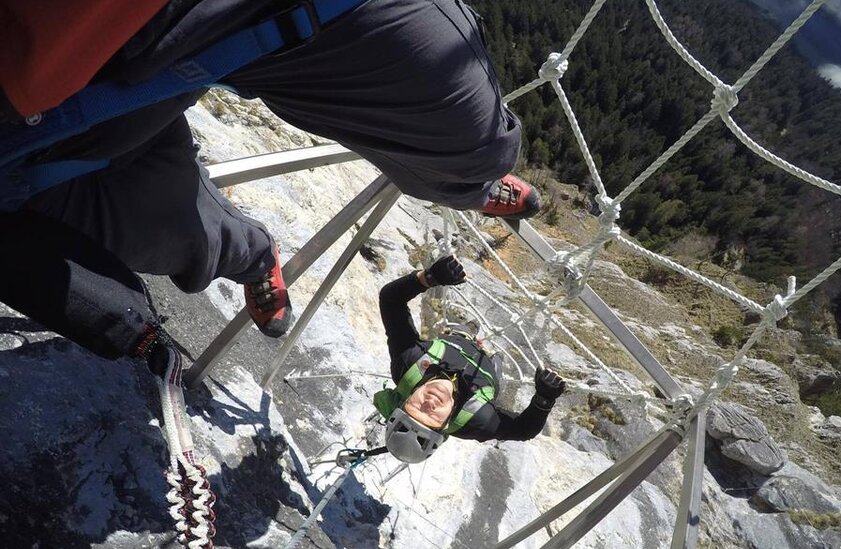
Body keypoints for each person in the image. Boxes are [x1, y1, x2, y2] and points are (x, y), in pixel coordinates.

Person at [0, 0, 542, 348]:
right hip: (127, 66)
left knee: (476, 150)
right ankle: (252, 255)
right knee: (113, 210)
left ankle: (473, 184)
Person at [376, 255, 566, 463]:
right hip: (487, 373)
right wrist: (544, 399)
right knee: (497, 365)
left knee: (462, 331)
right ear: (445, 425)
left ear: (405, 400)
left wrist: (429, 278)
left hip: (458, 341)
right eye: (431, 417)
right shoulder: (477, 421)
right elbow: (523, 430)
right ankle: (491, 356)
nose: (429, 404)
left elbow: (390, 300)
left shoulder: (409, 364)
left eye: (416, 408)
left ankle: (469, 331)